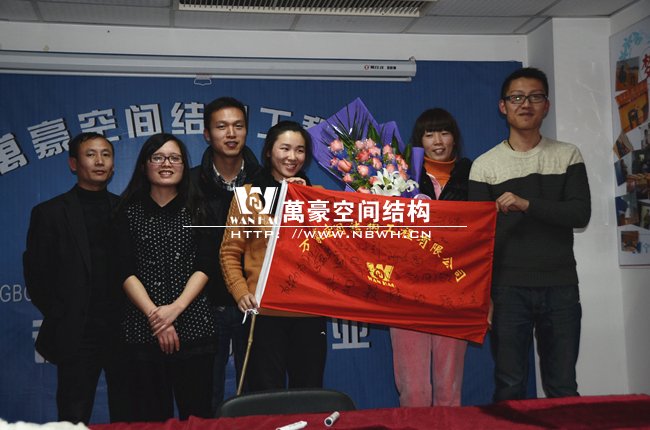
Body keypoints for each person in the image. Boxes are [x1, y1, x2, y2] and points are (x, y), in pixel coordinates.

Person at [468, 67, 591, 401]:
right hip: (507, 289)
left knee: (563, 385)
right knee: (510, 385)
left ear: (546, 105)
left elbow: (579, 214)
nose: (526, 104)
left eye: (535, 97)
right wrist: (484, 295)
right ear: (503, 106)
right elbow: (477, 239)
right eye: (517, 97)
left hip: (560, 285)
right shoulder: (484, 166)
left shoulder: (567, 155)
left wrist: (527, 204)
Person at [23, 132, 127, 424]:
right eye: (91, 154)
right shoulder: (50, 213)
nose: (99, 161)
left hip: (123, 332)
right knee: (73, 415)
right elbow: (36, 275)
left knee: (127, 415)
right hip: (78, 334)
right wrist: (63, 315)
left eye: (106, 154)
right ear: (73, 163)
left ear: (113, 165)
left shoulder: (126, 210)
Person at [115, 133, 216, 421]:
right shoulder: (126, 211)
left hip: (194, 325)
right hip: (142, 327)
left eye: (174, 158)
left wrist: (175, 309)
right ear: (144, 165)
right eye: (157, 158)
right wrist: (156, 317)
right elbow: (124, 270)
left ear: (184, 165)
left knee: (197, 418)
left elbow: (205, 265)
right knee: (148, 419)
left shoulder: (199, 209)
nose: (166, 164)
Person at [220, 121, 327, 392]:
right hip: (264, 311)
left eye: (300, 150)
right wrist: (240, 291)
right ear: (269, 151)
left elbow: (328, 251)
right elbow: (230, 251)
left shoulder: (318, 196)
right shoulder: (248, 195)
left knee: (309, 394)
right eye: (285, 148)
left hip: (309, 312)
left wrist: (302, 199)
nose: (292, 157)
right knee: (266, 395)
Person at [390, 108, 472, 407]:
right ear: (418, 141)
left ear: (454, 138)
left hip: (455, 289)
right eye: (429, 134)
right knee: (414, 389)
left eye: (444, 132)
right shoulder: (398, 178)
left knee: (449, 386)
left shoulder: (474, 176)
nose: (438, 141)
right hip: (407, 291)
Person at [190, 96, 261, 410]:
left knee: (256, 396)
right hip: (203, 306)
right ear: (207, 134)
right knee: (205, 397)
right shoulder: (190, 183)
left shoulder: (265, 183)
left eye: (238, 126)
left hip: (255, 306)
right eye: (222, 127)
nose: (231, 134)